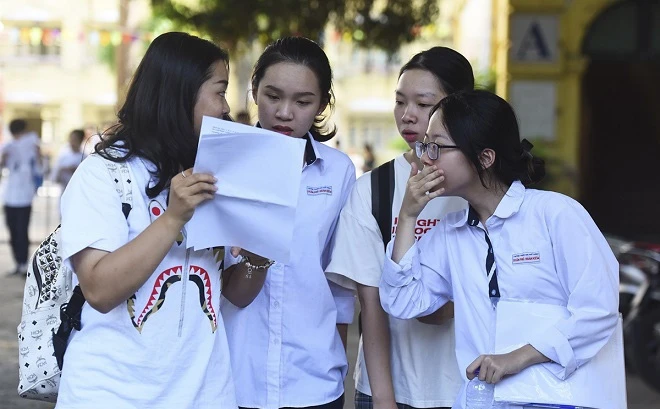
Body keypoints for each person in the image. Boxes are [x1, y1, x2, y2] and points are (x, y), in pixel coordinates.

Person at [379, 90, 619, 408]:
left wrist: (517, 358)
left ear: (485, 157)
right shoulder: (452, 232)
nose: (426, 158)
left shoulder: (554, 214)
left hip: (561, 399)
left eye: (437, 146)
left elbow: (599, 311)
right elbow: (403, 302)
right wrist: (408, 215)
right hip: (483, 400)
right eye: (426, 145)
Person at [55, 32, 250, 408]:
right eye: (220, 91)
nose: (226, 108)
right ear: (181, 93)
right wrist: (172, 217)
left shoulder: (213, 175)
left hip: (205, 394)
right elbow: (98, 289)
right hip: (111, 395)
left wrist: (260, 252)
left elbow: (230, 294)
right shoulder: (103, 174)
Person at [326, 47, 473, 409]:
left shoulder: (482, 188)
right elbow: (370, 305)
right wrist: (384, 398)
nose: (407, 116)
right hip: (392, 391)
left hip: (473, 390)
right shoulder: (373, 190)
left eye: (424, 104)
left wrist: (450, 305)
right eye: (400, 102)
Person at [220, 36, 356, 409]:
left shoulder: (338, 172)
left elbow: (339, 283)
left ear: (322, 104)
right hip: (232, 377)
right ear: (254, 90)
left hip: (313, 380)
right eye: (273, 96)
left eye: (302, 101)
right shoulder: (221, 164)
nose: (284, 112)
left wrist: (335, 365)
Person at [0, 118, 41, 276]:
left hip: (24, 195)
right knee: (11, 230)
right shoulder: (8, 146)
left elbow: (39, 169)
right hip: (10, 194)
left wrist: (38, 156)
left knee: (22, 230)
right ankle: (17, 262)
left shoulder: (31, 144)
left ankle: (24, 263)